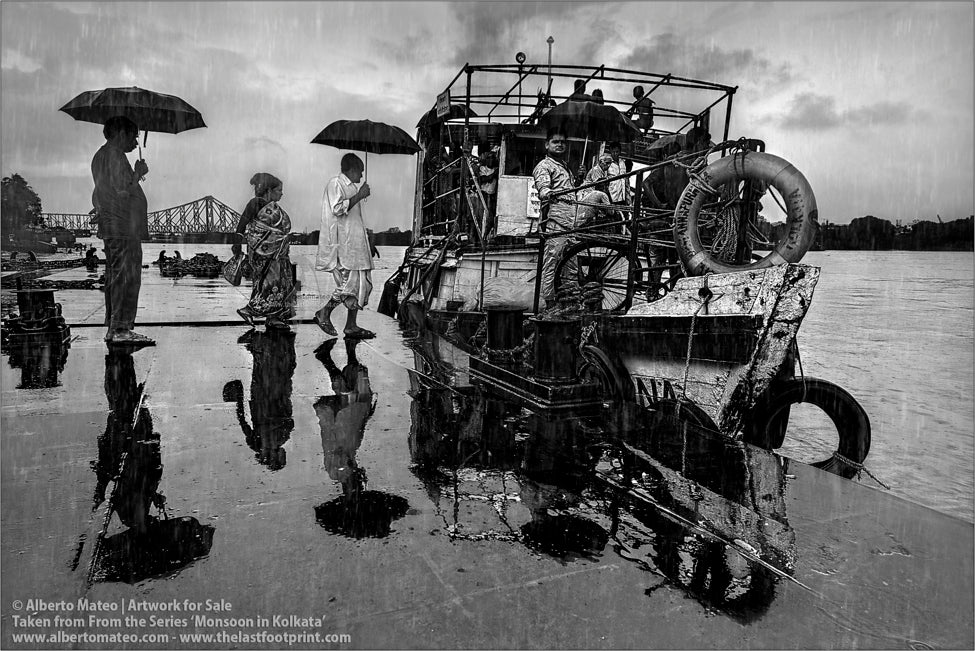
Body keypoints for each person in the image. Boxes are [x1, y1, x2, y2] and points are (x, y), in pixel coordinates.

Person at [91, 115, 153, 346]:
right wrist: (138, 173)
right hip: (123, 227)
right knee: (126, 277)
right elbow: (122, 191)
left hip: (114, 226)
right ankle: (120, 328)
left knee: (116, 276)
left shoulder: (101, 156)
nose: (136, 143)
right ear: (120, 134)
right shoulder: (115, 156)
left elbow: (100, 192)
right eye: (134, 137)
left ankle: (116, 326)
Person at [314, 153, 375, 339]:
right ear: (351, 169)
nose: (362, 176)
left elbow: (353, 220)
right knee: (348, 285)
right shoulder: (336, 184)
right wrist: (359, 195)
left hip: (356, 245)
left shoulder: (351, 187)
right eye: (360, 171)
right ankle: (324, 313)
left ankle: (351, 326)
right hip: (343, 246)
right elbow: (337, 209)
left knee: (359, 285)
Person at [234, 173, 296, 331]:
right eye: (279, 190)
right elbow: (242, 223)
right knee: (268, 285)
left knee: (279, 283)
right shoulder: (256, 203)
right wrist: (237, 242)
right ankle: (249, 310)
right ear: (269, 190)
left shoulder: (273, 207)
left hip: (276, 254)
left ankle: (273, 318)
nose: (282, 193)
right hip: (264, 254)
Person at [532, 128, 580, 307]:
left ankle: (570, 303)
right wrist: (547, 192)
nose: (560, 145)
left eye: (562, 142)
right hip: (555, 220)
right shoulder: (544, 166)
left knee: (571, 266)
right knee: (551, 263)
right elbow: (543, 187)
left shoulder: (565, 166)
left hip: (570, 221)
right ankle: (549, 304)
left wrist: (579, 178)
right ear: (547, 145)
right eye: (555, 141)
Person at [605, 141, 632, 208]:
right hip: (611, 196)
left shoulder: (622, 162)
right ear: (610, 151)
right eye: (613, 152)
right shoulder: (607, 163)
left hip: (622, 197)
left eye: (617, 152)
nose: (615, 154)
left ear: (620, 152)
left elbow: (626, 181)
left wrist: (628, 199)